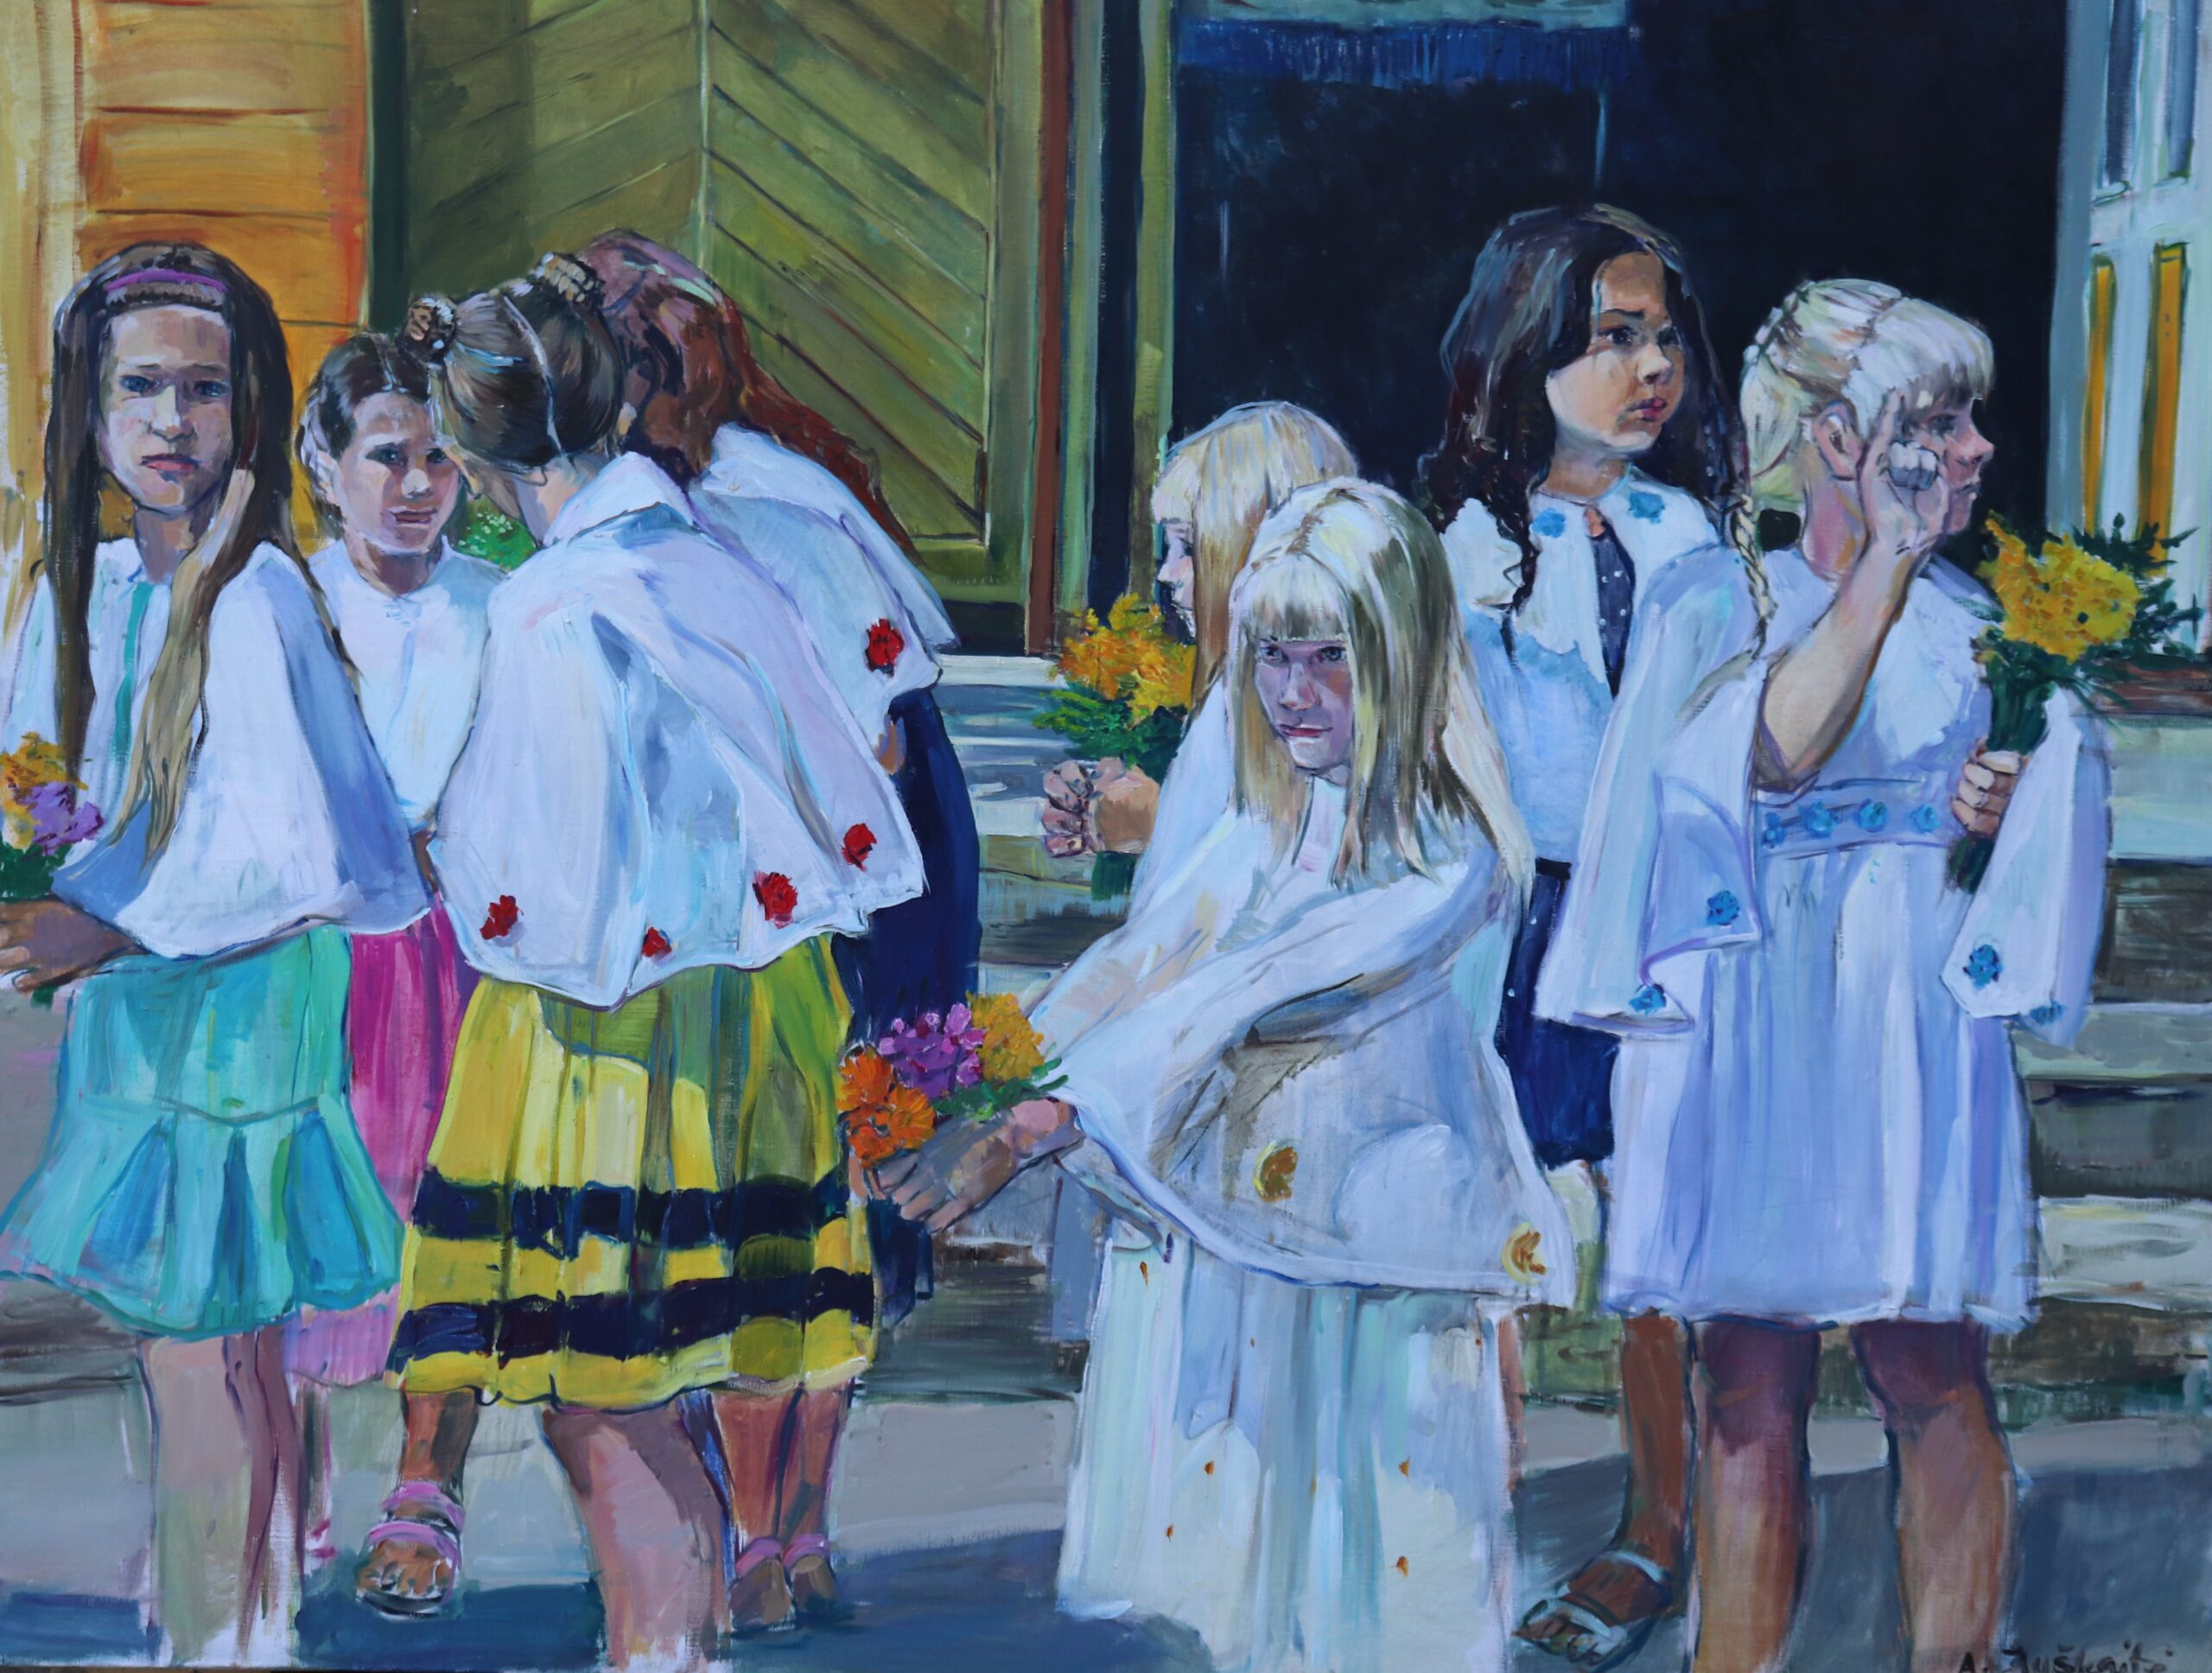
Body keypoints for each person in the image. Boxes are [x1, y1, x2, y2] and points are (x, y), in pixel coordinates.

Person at [881, 480, 1573, 1673]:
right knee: (1243, 1544)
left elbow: (1252, 990)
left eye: (1328, 656)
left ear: (1403, 654)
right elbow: (1150, 955)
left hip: (1376, 1243)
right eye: (1271, 656)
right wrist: (991, 1071)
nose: (1293, 690)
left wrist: (1045, 1117)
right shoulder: (1266, 822)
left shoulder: (1450, 849)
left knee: (1369, 1536)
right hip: (1244, 1226)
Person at [1538, 280, 2109, 1673]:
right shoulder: (1718, 601)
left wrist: (2004, 811)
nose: (1977, 449)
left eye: (1973, 420)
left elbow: (2019, 844)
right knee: (1745, 1383)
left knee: (1930, 1367)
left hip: (1897, 1030)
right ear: (1841, 439)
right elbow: (1776, 750)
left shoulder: (1977, 623)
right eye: (1940, 421)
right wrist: (1883, 567)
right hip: (1756, 1025)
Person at [381, 252, 925, 1663]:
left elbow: (526, 871)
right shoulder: (712, 564)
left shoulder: (548, 605)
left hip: (613, 1032)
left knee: (608, 1398)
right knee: (701, 1364)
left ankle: (659, 1647)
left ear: (476, 460)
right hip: (763, 1011)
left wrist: (444, 853)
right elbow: (835, 784)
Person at [0, 245, 425, 1663]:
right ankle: (247, 1627)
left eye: (203, 388)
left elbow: (287, 846)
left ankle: (218, 1638)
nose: (170, 421)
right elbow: (37, 773)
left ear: (250, 407)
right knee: (222, 1353)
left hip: (239, 1006)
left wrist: (101, 919)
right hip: (139, 1013)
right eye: (139, 388)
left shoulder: (254, 597)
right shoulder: (85, 585)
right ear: (87, 408)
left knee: (201, 1358)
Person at [581, 229, 976, 1620]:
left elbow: (871, 738)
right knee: (715, 1211)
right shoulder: (594, 513)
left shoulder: (768, 505)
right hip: (713, 892)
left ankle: (785, 1525)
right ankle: (750, 1523)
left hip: (845, 880)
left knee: (826, 1196)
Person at [1416, 204, 1738, 1669]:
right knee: (1492, 1227)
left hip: (1655, 913)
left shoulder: (1695, 542)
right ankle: (1467, 1526)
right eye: (1614, 338)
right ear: (1525, 352)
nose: (1651, 367)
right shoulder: (1460, 549)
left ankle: (1657, 1522)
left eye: (1664, 336)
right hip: (1515, 917)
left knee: (1649, 1236)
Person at [270, 332, 505, 1614]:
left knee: (452, 1212)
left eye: (438, 458)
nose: (416, 485)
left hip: (462, 950)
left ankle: (426, 1485)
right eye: (385, 456)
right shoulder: (284, 603)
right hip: (318, 950)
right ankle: (285, 1478)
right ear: (323, 462)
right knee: (304, 1203)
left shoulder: (503, 608)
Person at [1039, 402, 1355, 887]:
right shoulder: (1230, 697)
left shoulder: (1305, 706)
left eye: (1189, 547)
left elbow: (1286, 874)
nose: (1167, 574)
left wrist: (1161, 824)